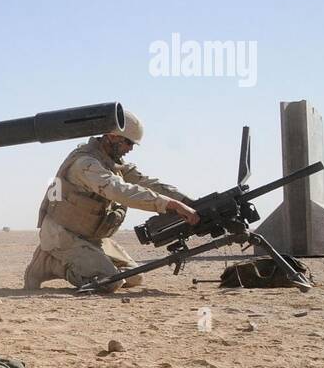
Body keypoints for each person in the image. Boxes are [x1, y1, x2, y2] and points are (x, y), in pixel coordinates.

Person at [23, 112, 199, 291]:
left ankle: (82, 260)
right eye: (128, 142)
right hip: (62, 235)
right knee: (110, 282)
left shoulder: (113, 164)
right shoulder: (85, 163)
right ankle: (51, 264)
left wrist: (185, 201)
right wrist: (168, 205)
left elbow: (147, 183)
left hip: (92, 237)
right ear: (113, 137)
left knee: (135, 277)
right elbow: (118, 191)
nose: (130, 148)